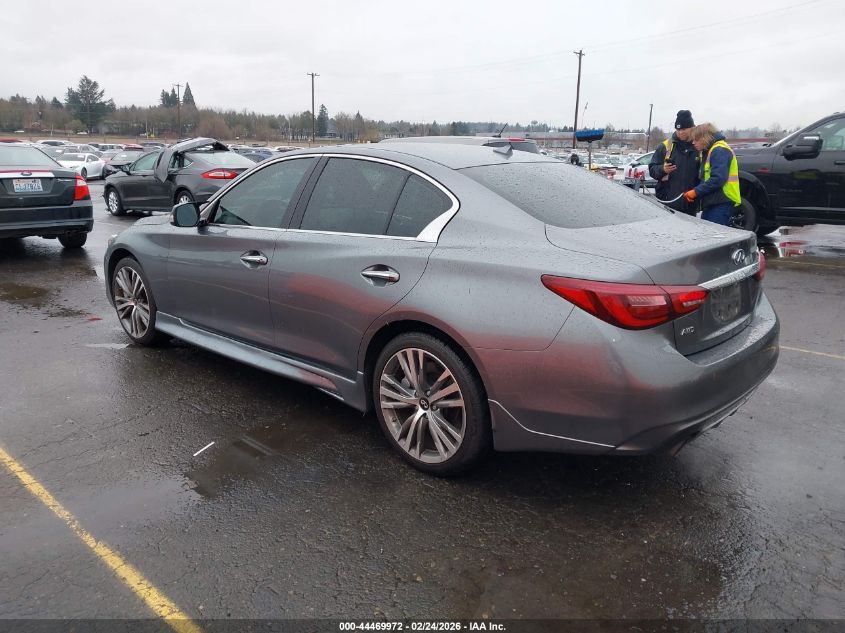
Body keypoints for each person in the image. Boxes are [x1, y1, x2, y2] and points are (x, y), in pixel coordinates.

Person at [683, 123, 741, 226]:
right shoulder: (710, 150)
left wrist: (696, 192)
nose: (693, 142)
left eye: (696, 139)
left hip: (721, 202)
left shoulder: (719, 150)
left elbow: (718, 179)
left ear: (705, 138)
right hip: (715, 202)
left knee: (714, 236)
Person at [648, 109, 700, 214]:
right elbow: (652, 169)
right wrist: (662, 169)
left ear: (692, 128)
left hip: (690, 203)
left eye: (684, 129)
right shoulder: (665, 146)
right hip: (667, 203)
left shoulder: (699, 147)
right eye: (678, 129)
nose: (680, 132)